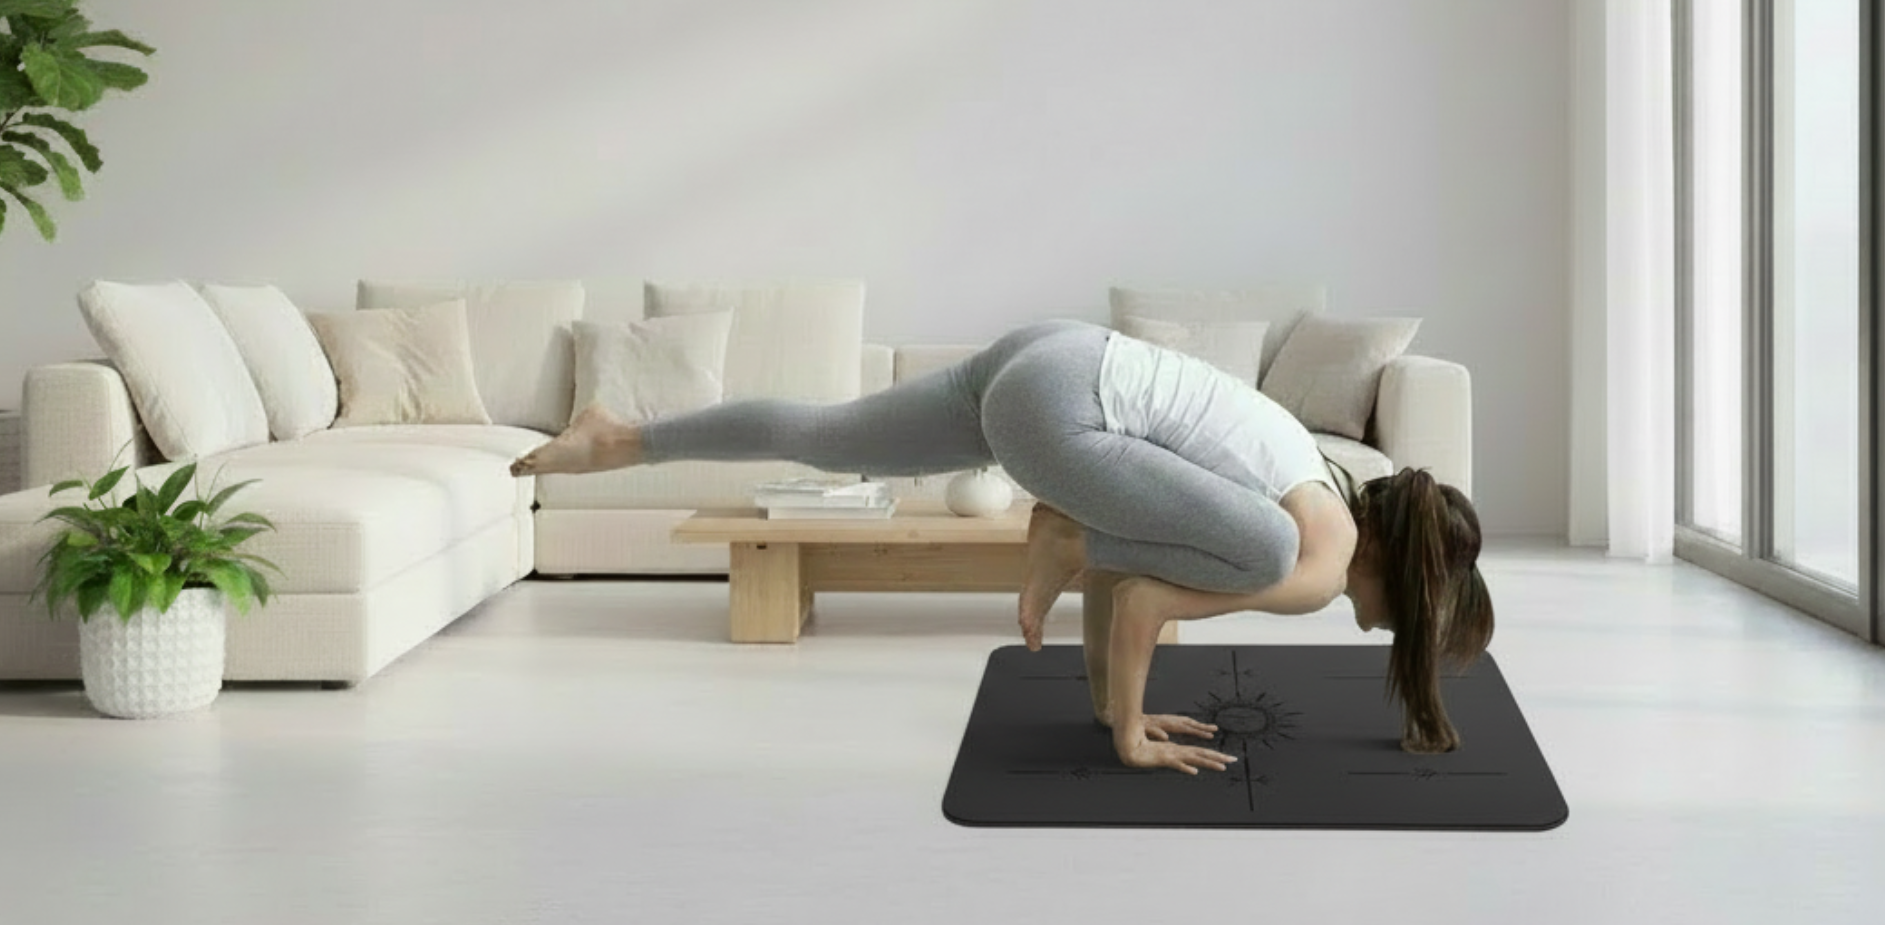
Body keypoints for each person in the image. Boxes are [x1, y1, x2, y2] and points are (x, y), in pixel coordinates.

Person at [510, 319, 1495, 774]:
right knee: (1238, 556)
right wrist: (1128, 735)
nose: (1387, 630)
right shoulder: (1313, 564)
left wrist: (1116, 699)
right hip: (1060, 410)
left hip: (1053, 354)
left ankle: (620, 438)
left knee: (825, 437)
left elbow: (1150, 556)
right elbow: (1147, 598)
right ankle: (1061, 528)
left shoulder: (1319, 475)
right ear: (1409, 584)